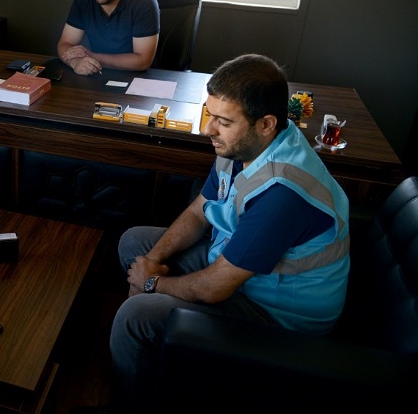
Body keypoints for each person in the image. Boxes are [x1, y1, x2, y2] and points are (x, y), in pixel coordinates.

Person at [108, 54, 350, 411]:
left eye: (223, 121)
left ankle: (128, 404)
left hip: (277, 315)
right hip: (237, 265)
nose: (209, 129)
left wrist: (150, 284)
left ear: (265, 123)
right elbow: (199, 211)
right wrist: (151, 262)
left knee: (135, 315)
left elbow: (215, 287)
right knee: (135, 242)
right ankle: (167, 361)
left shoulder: (283, 193)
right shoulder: (244, 144)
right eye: (210, 114)